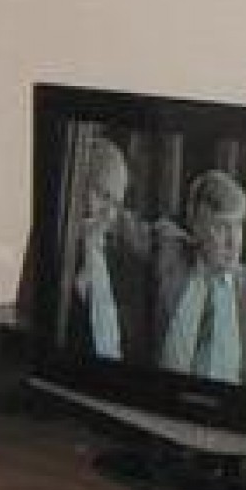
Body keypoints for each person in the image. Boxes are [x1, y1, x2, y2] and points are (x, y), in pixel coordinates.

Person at [154, 170, 246, 386]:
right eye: (221, 227)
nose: (233, 242)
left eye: (238, 225)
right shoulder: (169, 257)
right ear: (196, 226)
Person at [65, 137, 152, 364]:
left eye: (115, 204)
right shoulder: (60, 246)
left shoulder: (123, 261)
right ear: (77, 185)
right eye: (103, 195)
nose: (109, 215)